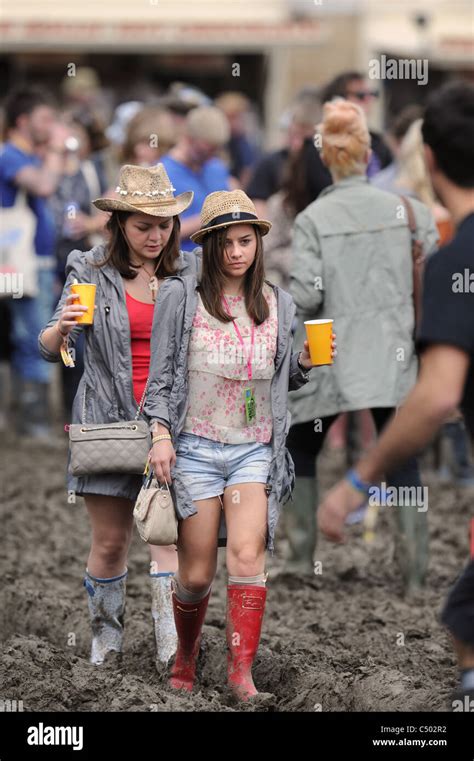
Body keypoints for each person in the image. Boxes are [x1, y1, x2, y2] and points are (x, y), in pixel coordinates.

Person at [317, 81, 474, 704]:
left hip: (381, 357)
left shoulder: (457, 259)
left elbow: (438, 396)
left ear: (427, 159)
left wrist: (358, 481)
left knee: (465, 619)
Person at [145, 190, 335, 700]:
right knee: (197, 571)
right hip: (196, 446)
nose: (235, 252)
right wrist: (161, 435)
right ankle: (185, 656)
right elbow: (159, 380)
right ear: (208, 246)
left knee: (248, 558)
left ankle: (239, 675)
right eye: (225, 242)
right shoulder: (181, 296)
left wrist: (305, 365)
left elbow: (277, 381)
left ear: (258, 244)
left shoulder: (278, 303)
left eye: (245, 240)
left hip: (255, 449)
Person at [38, 164, 197, 669]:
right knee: (109, 543)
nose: (155, 236)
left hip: (171, 425)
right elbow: (50, 348)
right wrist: (61, 329)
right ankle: (105, 644)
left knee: (166, 538)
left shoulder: (190, 272)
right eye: (142, 225)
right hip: (107, 422)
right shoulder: (88, 269)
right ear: (118, 224)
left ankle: (171, 653)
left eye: (164, 224)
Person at [287, 99, 439, 586]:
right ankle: (414, 574)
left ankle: (299, 560)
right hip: (395, 357)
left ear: (327, 157)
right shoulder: (411, 212)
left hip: (331, 351)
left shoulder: (313, 219)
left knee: (302, 447)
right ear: (368, 153)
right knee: (402, 457)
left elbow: (307, 295)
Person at [0, 87, 69, 438]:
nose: (51, 125)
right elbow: (44, 187)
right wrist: (57, 148)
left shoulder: (22, 155)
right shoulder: (10, 155)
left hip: (32, 265)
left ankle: (26, 417)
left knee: (26, 332)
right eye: (45, 119)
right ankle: (34, 421)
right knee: (31, 333)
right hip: (18, 267)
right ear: (22, 122)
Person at [161, 106, 231, 251]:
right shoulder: (162, 173)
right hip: (180, 263)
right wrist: (210, 219)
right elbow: (160, 234)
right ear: (188, 138)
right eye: (204, 151)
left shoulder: (215, 167)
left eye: (215, 151)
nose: (210, 157)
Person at [321, 71, 392, 177]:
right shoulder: (321, 142)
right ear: (338, 100)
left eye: (372, 94)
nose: (369, 99)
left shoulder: (378, 143)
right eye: (361, 95)